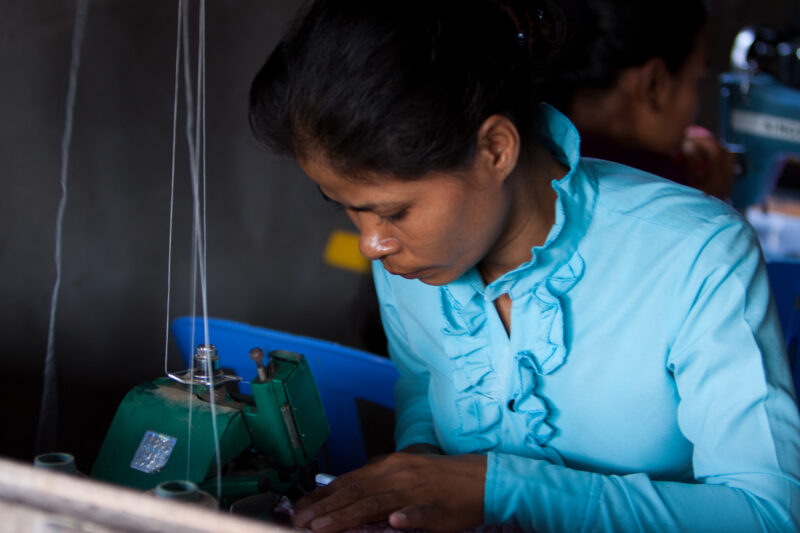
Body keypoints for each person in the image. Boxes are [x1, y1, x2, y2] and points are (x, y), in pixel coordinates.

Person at [248, 0, 800, 531]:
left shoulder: (696, 254)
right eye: (350, 210)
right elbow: (424, 388)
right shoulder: (412, 258)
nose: (371, 244)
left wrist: (499, 488)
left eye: (394, 211)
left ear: (495, 149)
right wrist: (417, 473)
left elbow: (769, 514)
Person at [543, 0, 736, 200]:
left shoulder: (534, 150)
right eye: (697, 81)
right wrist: (712, 200)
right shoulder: (669, 190)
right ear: (654, 84)